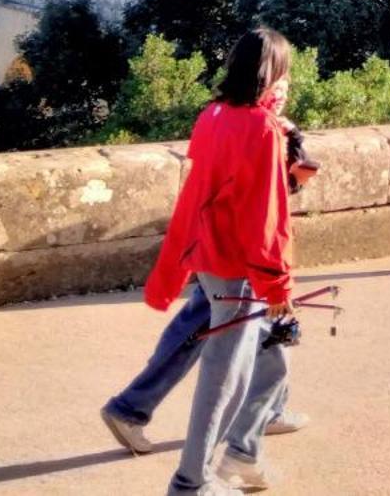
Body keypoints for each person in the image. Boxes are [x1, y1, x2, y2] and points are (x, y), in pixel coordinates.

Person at [102, 108, 320, 460]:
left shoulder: (221, 115)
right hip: (237, 256)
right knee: (247, 332)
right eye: (280, 79)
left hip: (217, 247)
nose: (283, 89)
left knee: (233, 330)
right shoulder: (260, 122)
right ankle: (219, 453)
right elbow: (261, 201)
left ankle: (134, 408)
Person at [138, 28, 297, 495]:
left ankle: (234, 460)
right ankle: (191, 482)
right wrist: (279, 288)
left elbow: (206, 190)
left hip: (209, 257)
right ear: (271, 75)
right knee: (225, 375)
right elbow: (266, 218)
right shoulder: (261, 129)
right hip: (239, 267)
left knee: (253, 361)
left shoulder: (212, 115)